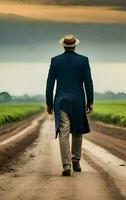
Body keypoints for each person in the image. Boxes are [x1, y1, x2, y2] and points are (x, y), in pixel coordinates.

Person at [45, 34, 94, 176]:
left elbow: (50, 83)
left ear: (63, 45)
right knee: (78, 130)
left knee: (63, 132)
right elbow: (88, 82)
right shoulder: (83, 61)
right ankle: (76, 159)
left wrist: (49, 103)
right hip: (78, 100)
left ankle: (66, 166)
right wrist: (90, 101)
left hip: (61, 101)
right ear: (75, 45)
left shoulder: (55, 61)